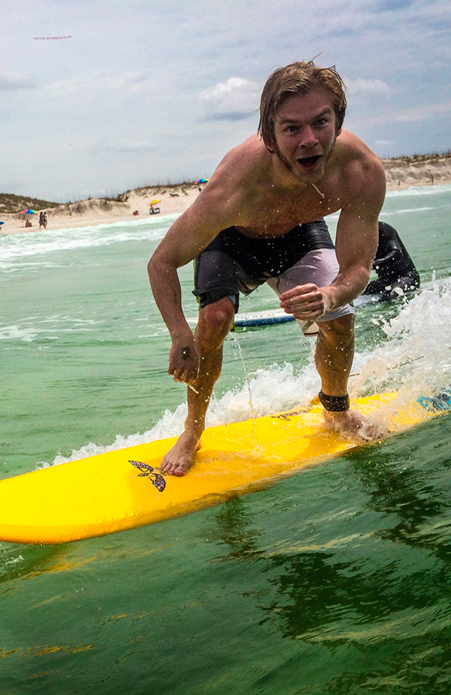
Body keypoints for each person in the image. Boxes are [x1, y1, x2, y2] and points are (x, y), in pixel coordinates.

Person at [147, 60, 386, 477]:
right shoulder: (235, 186)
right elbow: (161, 262)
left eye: (321, 122)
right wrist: (179, 334)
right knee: (214, 319)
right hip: (233, 239)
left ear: (338, 121)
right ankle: (192, 430)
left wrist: (330, 295)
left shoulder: (361, 172)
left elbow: (357, 268)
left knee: (339, 318)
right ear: (270, 135)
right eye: (292, 128)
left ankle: (336, 408)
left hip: (299, 233)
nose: (309, 140)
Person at [359, 221, 419, 304]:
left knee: (389, 296)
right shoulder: (357, 237)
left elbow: (397, 253)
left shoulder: (383, 230)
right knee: (358, 293)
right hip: (385, 281)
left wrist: (376, 263)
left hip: (406, 277)